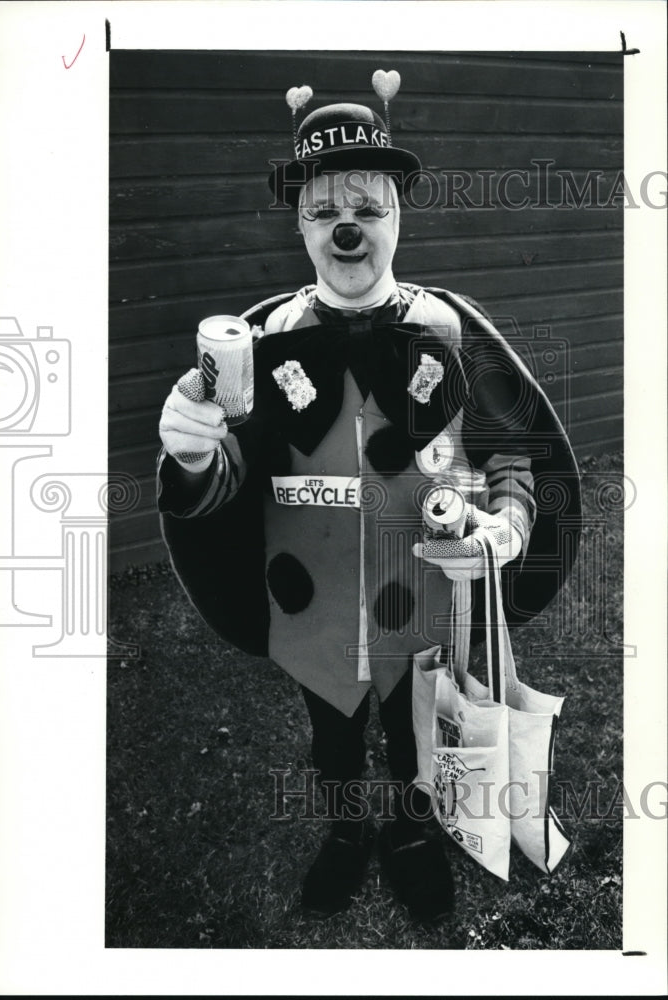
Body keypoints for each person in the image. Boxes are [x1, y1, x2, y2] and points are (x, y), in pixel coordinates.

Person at [157, 76, 580, 923]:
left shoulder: (450, 331)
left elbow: (513, 459)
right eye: (323, 210)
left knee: (416, 735)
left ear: (398, 217)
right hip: (306, 615)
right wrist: (191, 456)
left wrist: (508, 522)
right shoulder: (260, 342)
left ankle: (414, 831)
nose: (346, 225)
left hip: (421, 607)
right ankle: (347, 832)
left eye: (368, 205)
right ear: (300, 226)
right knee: (334, 739)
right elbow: (226, 483)